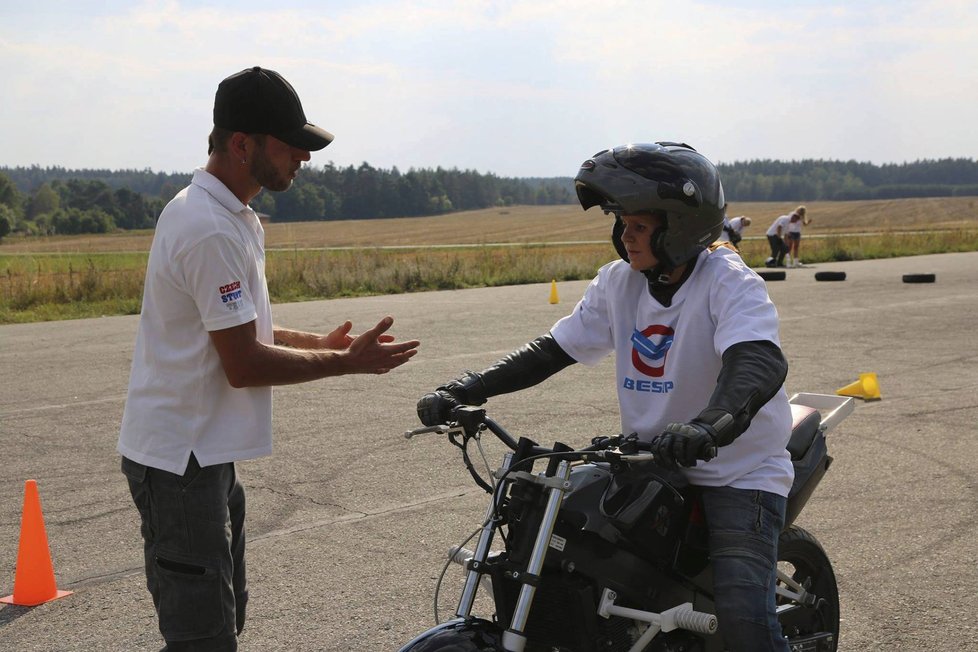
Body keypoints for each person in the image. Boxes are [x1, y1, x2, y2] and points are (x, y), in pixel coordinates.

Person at [417, 142, 793, 652]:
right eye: (621, 223)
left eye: (639, 225)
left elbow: (757, 361)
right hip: (653, 461)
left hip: (737, 469)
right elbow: (552, 350)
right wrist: (468, 386)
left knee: (744, 619)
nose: (624, 236)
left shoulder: (728, 283)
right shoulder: (620, 283)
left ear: (679, 226)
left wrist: (709, 427)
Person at [118, 66, 420, 652]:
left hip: (206, 454)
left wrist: (320, 345)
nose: (303, 158)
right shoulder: (208, 226)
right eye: (291, 145)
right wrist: (347, 365)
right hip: (180, 462)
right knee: (201, 638)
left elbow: (240, 329)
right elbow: (245, 363)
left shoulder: (229, 215)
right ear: (241, 144)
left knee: (221, 623)